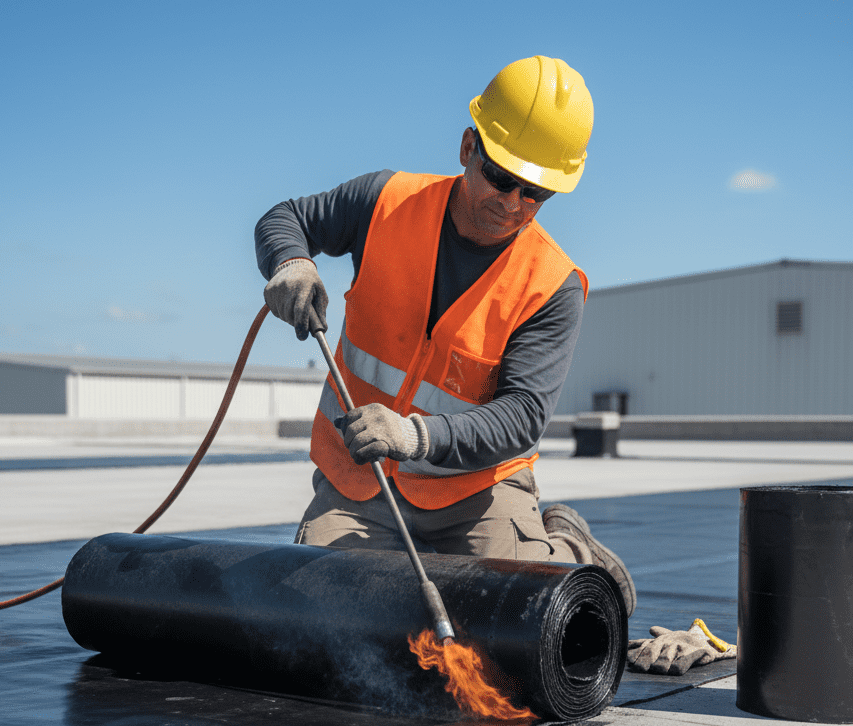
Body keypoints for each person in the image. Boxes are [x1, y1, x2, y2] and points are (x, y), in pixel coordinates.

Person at [255, 55, 635, 618]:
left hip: (474, 494)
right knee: (324, 620)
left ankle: (569, 544)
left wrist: (413, 437)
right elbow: (286, 217)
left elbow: (523, 415)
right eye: (501, 178)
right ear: (467, 148)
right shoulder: (387, 201)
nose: (511, 203)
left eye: (534, 193)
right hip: (363, 486)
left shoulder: (553, 285)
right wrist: (291, 262)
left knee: (520, 624)